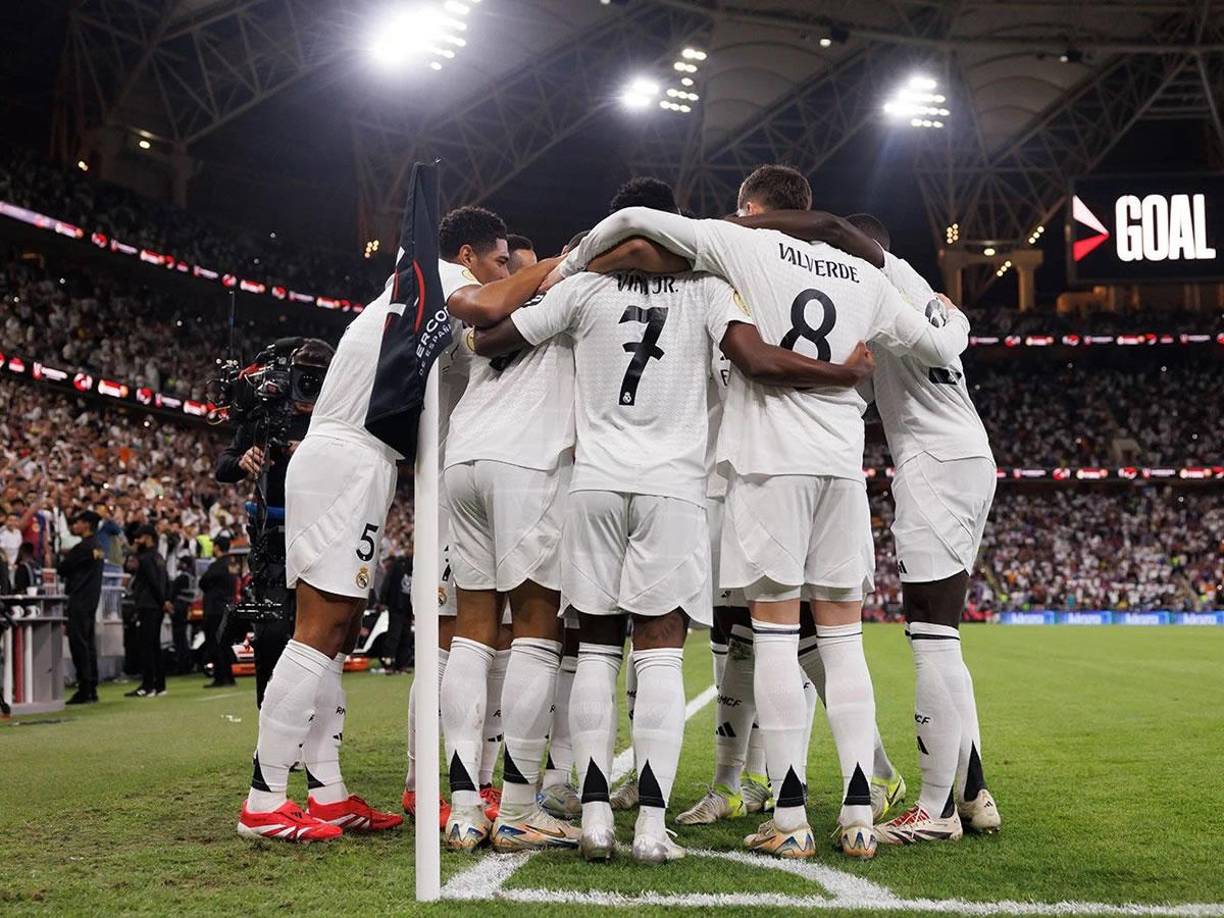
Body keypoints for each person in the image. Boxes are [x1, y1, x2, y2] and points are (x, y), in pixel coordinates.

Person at [553, 164, 972, 860]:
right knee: (843, 644)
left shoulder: (737, 244)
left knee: (774, 641)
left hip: (766, 464)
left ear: (752, 207)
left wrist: (567, 264)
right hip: (841, 469)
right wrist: (902, 276)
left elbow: (635, 226)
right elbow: (944, 339)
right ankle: (861, 811)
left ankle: (790, 816)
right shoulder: (863, 277)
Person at [474, 176, 874, 863]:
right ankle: (653, 829)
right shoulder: (711, 290)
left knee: (597, 652)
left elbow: (491, 340)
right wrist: (843, 374)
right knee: (660, 657)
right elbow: (753, 359)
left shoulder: (584, 289)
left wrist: (560, 271)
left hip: (595, 484)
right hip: (674, 491)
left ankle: (595, 815)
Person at [237, 205, 560, 843]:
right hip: (347, 462)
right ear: (466, 255)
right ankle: (264, 798)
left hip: (356, 462)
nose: (505, 272)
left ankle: (326, 793)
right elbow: (488, 306)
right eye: (499, 260)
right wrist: (559, 267)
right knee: (318, 628)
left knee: (337, 630)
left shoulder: (420, 296)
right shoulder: (434, 280)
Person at [840, 213, 1000, 843]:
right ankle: (972, 790)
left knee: (932, 636)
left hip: (933, 463)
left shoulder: (877, 284)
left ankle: (934, 810)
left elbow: (863, 252)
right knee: (945, 638)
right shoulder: (927, 297)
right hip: (965, 453)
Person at [215, 338, 333, 707]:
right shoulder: (267, 414)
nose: (307, 387)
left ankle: (314, 728)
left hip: (323, 535)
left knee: (320, 634)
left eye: (316, 378)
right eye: (303, 377)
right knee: (271, 633)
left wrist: (318, 453)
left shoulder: (337, 418)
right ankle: (271, 725)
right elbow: (224, 466)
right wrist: (244, 460)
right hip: (273, 537)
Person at [59, 510, 105, 705]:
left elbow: (63, 568)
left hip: (79, 598)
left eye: (77, 523)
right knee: (89, 644)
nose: (74, 526)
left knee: (79, 644)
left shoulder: (82, 547)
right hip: (91, 599)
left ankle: (84, 688)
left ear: (86, 525)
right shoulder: (98, 547)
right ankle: (91, 687)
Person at [124, 524, 171, 698]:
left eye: (139, 537)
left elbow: (152, 582)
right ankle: (160, 685)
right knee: (155, 646)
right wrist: (165, 600)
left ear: (148, 537)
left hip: (148, 605)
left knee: (146, 646)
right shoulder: (159, 557)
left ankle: (147, 686)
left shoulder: (145, 558)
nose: (136, 540)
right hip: (157, 606)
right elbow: (165, 581)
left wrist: (163, 600)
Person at [199, 536, 237, 688]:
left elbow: (203, 582)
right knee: (225, 643)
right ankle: (229, 676)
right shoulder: (231, 564)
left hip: (215, 609)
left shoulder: (217, 565)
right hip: (227, 607)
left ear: (217, 547)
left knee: (215, 643)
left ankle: (220, 677)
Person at [379, 551, 414, 673]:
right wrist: (383, 600)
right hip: (397, 605)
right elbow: (388, 582)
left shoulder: (417, 565)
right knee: (393, 636)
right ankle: (388, 664)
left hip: (408, 607)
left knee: (406, 636)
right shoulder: (398, 564)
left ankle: (402, 665)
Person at [170, 551, 196, 675]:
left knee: (179, 637)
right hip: (186, 608)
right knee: (183, 637)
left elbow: (172, 592)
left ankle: (182, 665)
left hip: (179, 608)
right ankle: (186, 664)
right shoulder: (192, 577)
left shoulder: (182, 577)